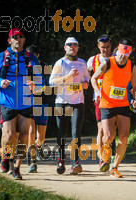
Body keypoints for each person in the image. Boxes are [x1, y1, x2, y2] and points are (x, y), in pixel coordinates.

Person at [0, 28, 42, 180]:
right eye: (15, 37)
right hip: (7, 101)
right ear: (9, 40)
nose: (18, 39)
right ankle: (5, 157)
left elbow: (40, 78)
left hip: (26, 101)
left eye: (21, 37)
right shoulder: (1, 57)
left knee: (24, 135)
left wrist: (35, 85)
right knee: (10, 136)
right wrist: (0, 81)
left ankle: (17, 168)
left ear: (24, 40)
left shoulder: (31, 58)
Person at [91, 38, 136, 178]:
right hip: (107, 104)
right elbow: (93, 78)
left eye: (127, 52)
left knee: (124, 137)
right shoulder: (107, 62)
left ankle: (115, 167)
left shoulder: (131, 66)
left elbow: (135, 86)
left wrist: (135, 99)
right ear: (118, 49)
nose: (124, 55)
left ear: (130, 52)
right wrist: (98, 93)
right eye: (122, 51)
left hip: (123, 104)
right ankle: (104, 156)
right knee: (109, 136)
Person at [49, 37, 89, 175]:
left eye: (75, 45)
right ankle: (61, 159)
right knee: (62, 133)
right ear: (65, 47)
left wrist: (85, 84)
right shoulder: (60, 63)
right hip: (62, 101)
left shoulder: (83, 63)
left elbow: (86, 80)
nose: (72, 46)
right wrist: (68, 77)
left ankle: (76, 162)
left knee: (76, 132)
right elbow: (52, 82)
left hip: (78, 101)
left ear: (78, 48)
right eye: (69, 45)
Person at [87, 34, 116, 170]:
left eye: (108, 47)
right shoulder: (92, 60)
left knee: (111, 131)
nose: (105, 50)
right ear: (98, 47)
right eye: (103, 47)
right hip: (99, 98)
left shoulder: (116, 58)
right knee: (102, 129)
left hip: (115, 99)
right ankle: (103, 157)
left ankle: (110, 154)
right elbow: (86, 76)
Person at [26, 44, 49, 173]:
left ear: (38, 55)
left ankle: (38, 146)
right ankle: (33, 162)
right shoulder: (25, 67)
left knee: (41, 137)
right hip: (29, 102)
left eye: (33, 56)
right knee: (31, 132)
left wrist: (42, 88)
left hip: (42, 101)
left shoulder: (45, 66)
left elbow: (50, 84)